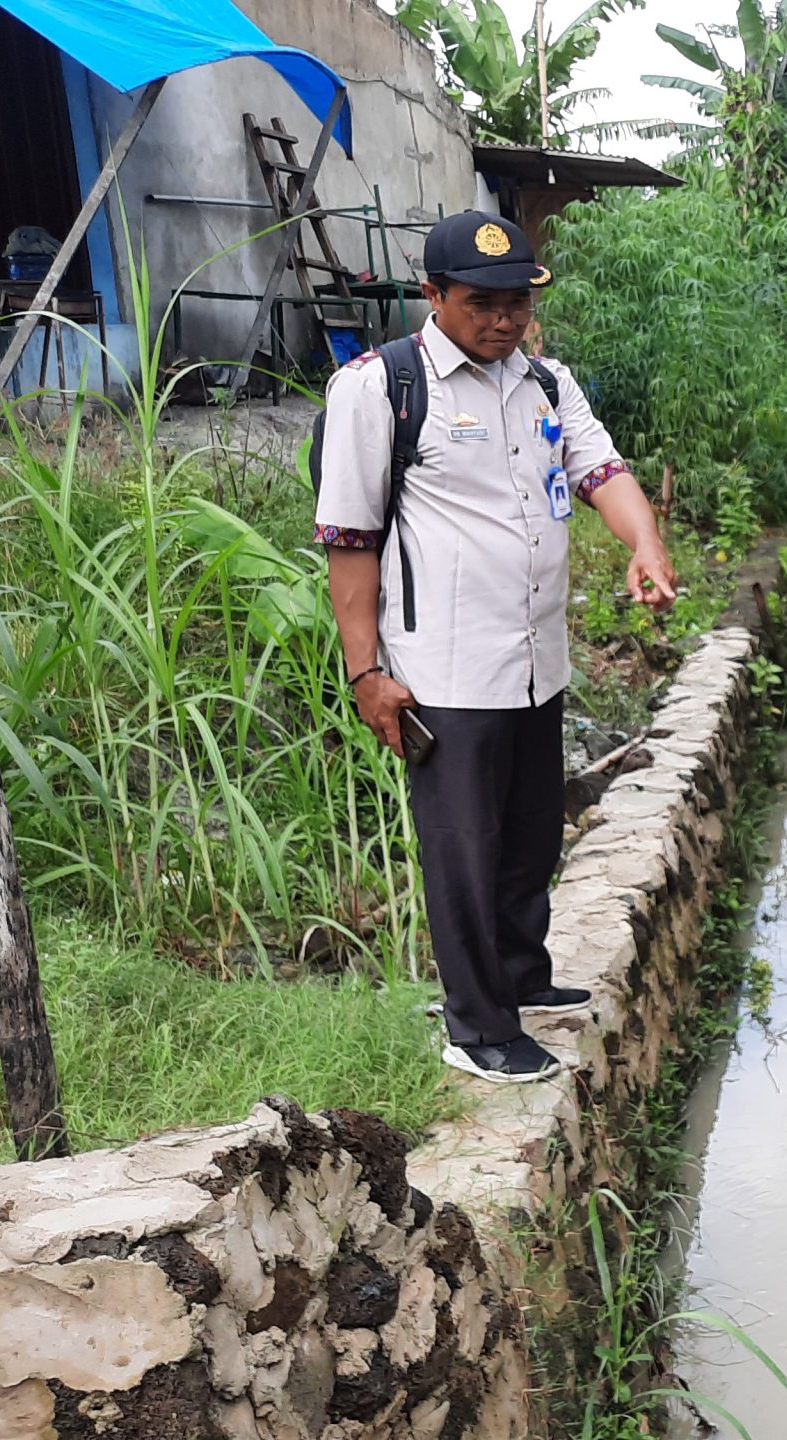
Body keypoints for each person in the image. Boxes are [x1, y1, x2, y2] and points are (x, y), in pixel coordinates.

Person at [316, 211, 677, 1083]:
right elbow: (350, 540)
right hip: (444, 669)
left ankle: (521, 976)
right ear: (434, 296)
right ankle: (476, 1026)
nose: (503, 320)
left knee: (525, 837)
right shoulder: (380, 389)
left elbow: (604, 474)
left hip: (533, 660)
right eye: (482, 303)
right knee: (465, 850)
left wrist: (645, 543)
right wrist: (367, 672)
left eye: (517, 302)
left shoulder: (547, 384)